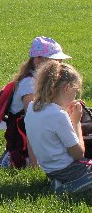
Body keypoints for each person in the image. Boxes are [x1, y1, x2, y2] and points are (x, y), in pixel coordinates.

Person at [0, 36, 72, 169]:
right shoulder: (29, 84)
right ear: (38, 61)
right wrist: (35, 163)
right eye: (55, 61)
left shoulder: (41, 80)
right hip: (22, 137)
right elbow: (30, 122)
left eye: (60, 61)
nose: (60, 65)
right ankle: (21, 159)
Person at [24, 60, 92, 194]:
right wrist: (76, 122)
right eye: (75, 92)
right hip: (70, 170)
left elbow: (50, 126)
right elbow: (78, 154)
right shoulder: (59, 115)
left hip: (50, 170)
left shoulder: (33, 107)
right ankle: (69, 186)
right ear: (66, 88)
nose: (74, 96)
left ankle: (60, 183)